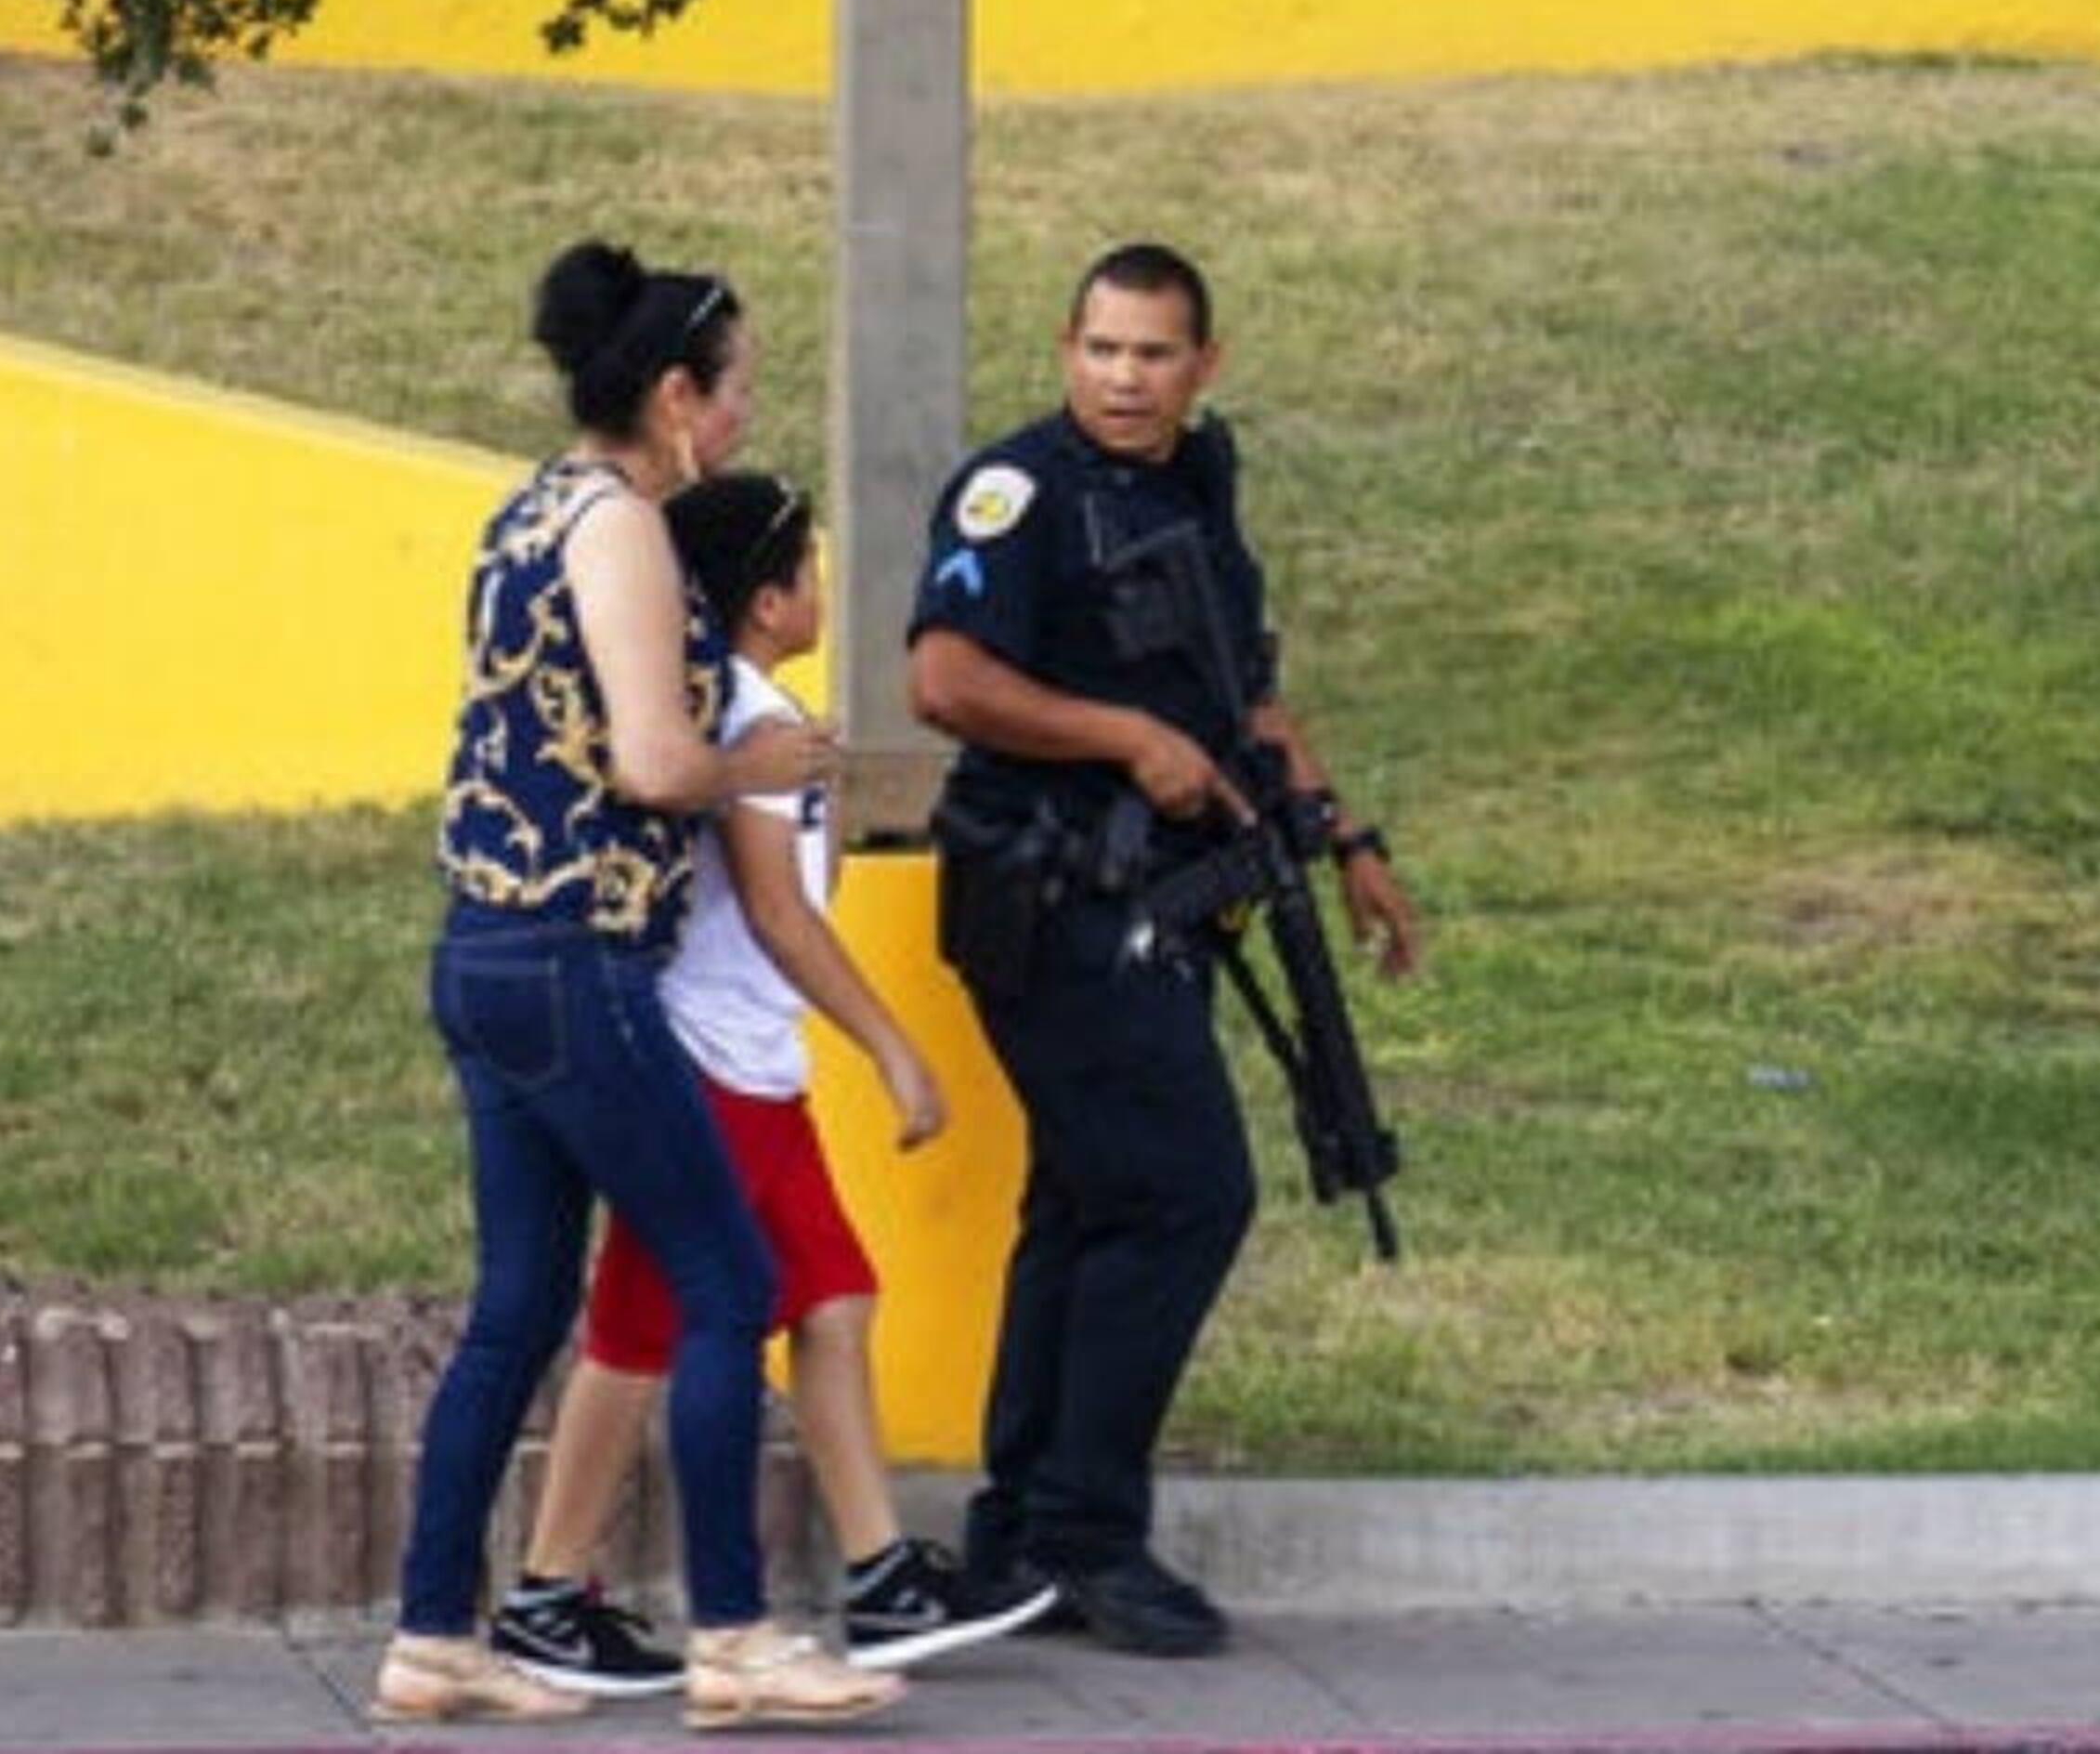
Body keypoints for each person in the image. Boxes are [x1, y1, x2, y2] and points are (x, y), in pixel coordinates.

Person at [378, 241, 904, 1730]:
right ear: (676, 396)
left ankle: (434, 1640)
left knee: (520, 1305)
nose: (743, 420)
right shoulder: (621, 533)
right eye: (734, 391)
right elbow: (654, 763)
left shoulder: (527, 508)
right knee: (731, 1282)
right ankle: (733, 1640)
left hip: (484, 952)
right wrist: (758, 764)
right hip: (572, 958)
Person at [907, 242, 1422, 1656]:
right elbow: (944, 678)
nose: (1125, 379)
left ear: (1205, 364)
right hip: (1053, 899)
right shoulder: (1017, 495)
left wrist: (1346, 837)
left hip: (1158, 907)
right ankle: (1084, 1536)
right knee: (1185, 1193)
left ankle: (1022, 1532)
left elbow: (1241, 694)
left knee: (1089, 1203)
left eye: (1153, 355)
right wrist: (1127, 739)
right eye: (1102, 350)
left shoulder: (1194, 488)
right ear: (1066, 349)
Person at [485, 472, 1052, 1696]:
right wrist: (895, 1051)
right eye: (808, 565)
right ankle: (545, 1592)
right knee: (638, 1335)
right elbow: (785, 920)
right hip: (708, 1075)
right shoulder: (739, 721)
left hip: (756, 1070)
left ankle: (880, 1578)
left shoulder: (756, 715)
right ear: (765, 595)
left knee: (836, 1302)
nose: (822, 585)